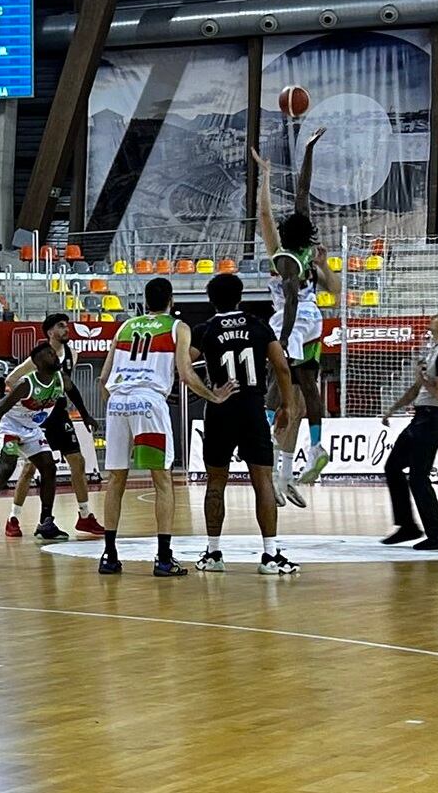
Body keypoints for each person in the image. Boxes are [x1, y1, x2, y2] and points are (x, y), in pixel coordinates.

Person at [97, 277, 236, 576]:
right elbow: (185, 374)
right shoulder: (177, 327)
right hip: (149, 403)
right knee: (162, 481)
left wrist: (117, 405)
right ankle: (163, 558)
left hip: (117, 403)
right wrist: (214, 396)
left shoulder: (124, 327)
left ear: (145, 301)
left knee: (115, 480)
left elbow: (102, 379)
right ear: (171, 300)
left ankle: (109, 556)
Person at [191, 274, 300, 574]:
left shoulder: (206, 329)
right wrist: (287, 406)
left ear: (211, 300)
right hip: (252, 408)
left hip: (220, 410)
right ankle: (270, 555)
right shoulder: (258, 326)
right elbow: (281, 367)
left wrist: (208, 392)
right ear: (240, 297)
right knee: (262, 482)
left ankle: (213, 554)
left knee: (215, 482)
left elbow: (184, 366)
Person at [252, 131, 340, 501]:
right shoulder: (307, 250)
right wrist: (308, 151)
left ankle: (267, 448)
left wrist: (266, 176)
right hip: (315, 319)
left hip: (293, 321)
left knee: (276, 384)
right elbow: (303, 192)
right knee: (306, 392)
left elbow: (264, 212)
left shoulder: (282, 255)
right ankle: (313, 451)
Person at [7, 314, 104, 537]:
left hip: (59, 415)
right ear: (50, 332)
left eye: (67, 325)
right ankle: (13, 518)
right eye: (61, 326)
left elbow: (69, 387)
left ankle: (85, 516)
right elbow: (11, 380)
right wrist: (29, 402)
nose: (66, 329)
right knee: (30, 468)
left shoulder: (73, 354)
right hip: (39, 417)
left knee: (77, 462)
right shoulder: (37, 359)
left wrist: (85, 415)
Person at [379, 306, 438, 550]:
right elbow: (417, 389)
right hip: (421, 418)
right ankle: (407, 526)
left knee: (418, 477)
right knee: (393, 467)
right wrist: (392, 409)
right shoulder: (433, 352)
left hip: (433, 419)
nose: (433, 318)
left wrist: (423, 377)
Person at [0, 342, 67, 542]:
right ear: (38, 361)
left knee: (49, 467)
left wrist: (87, 416)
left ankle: (46, 521)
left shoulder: (60, 379)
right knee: (7, 468)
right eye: (50, 354)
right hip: (9, 427)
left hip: (31, 429)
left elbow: (75, 394)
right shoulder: (26, 383)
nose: (55, 356)